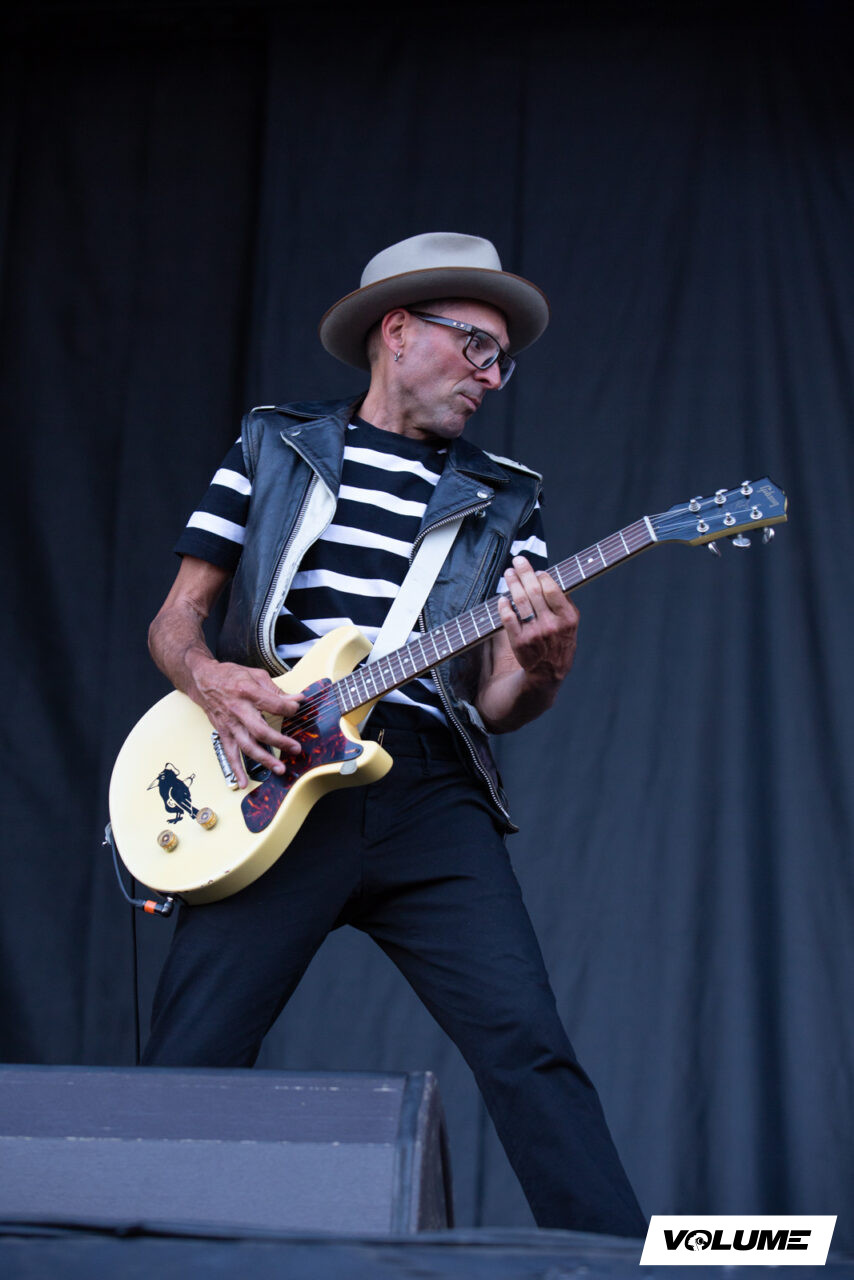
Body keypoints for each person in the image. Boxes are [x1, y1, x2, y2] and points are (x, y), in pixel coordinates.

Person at [141, 232, 646, 1236]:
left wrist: (544, 664)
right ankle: (132, 1253)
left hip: (427, 789)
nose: (491, 376)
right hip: (273, 775)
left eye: (503, 360)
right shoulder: (272, 446)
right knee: (190, 1057)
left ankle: (620, 1258)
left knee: (528, 1044)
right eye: (476, 347)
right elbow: (175, 619)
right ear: (399, 329)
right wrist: (210, 680)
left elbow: (499, 701)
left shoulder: (508, 497)